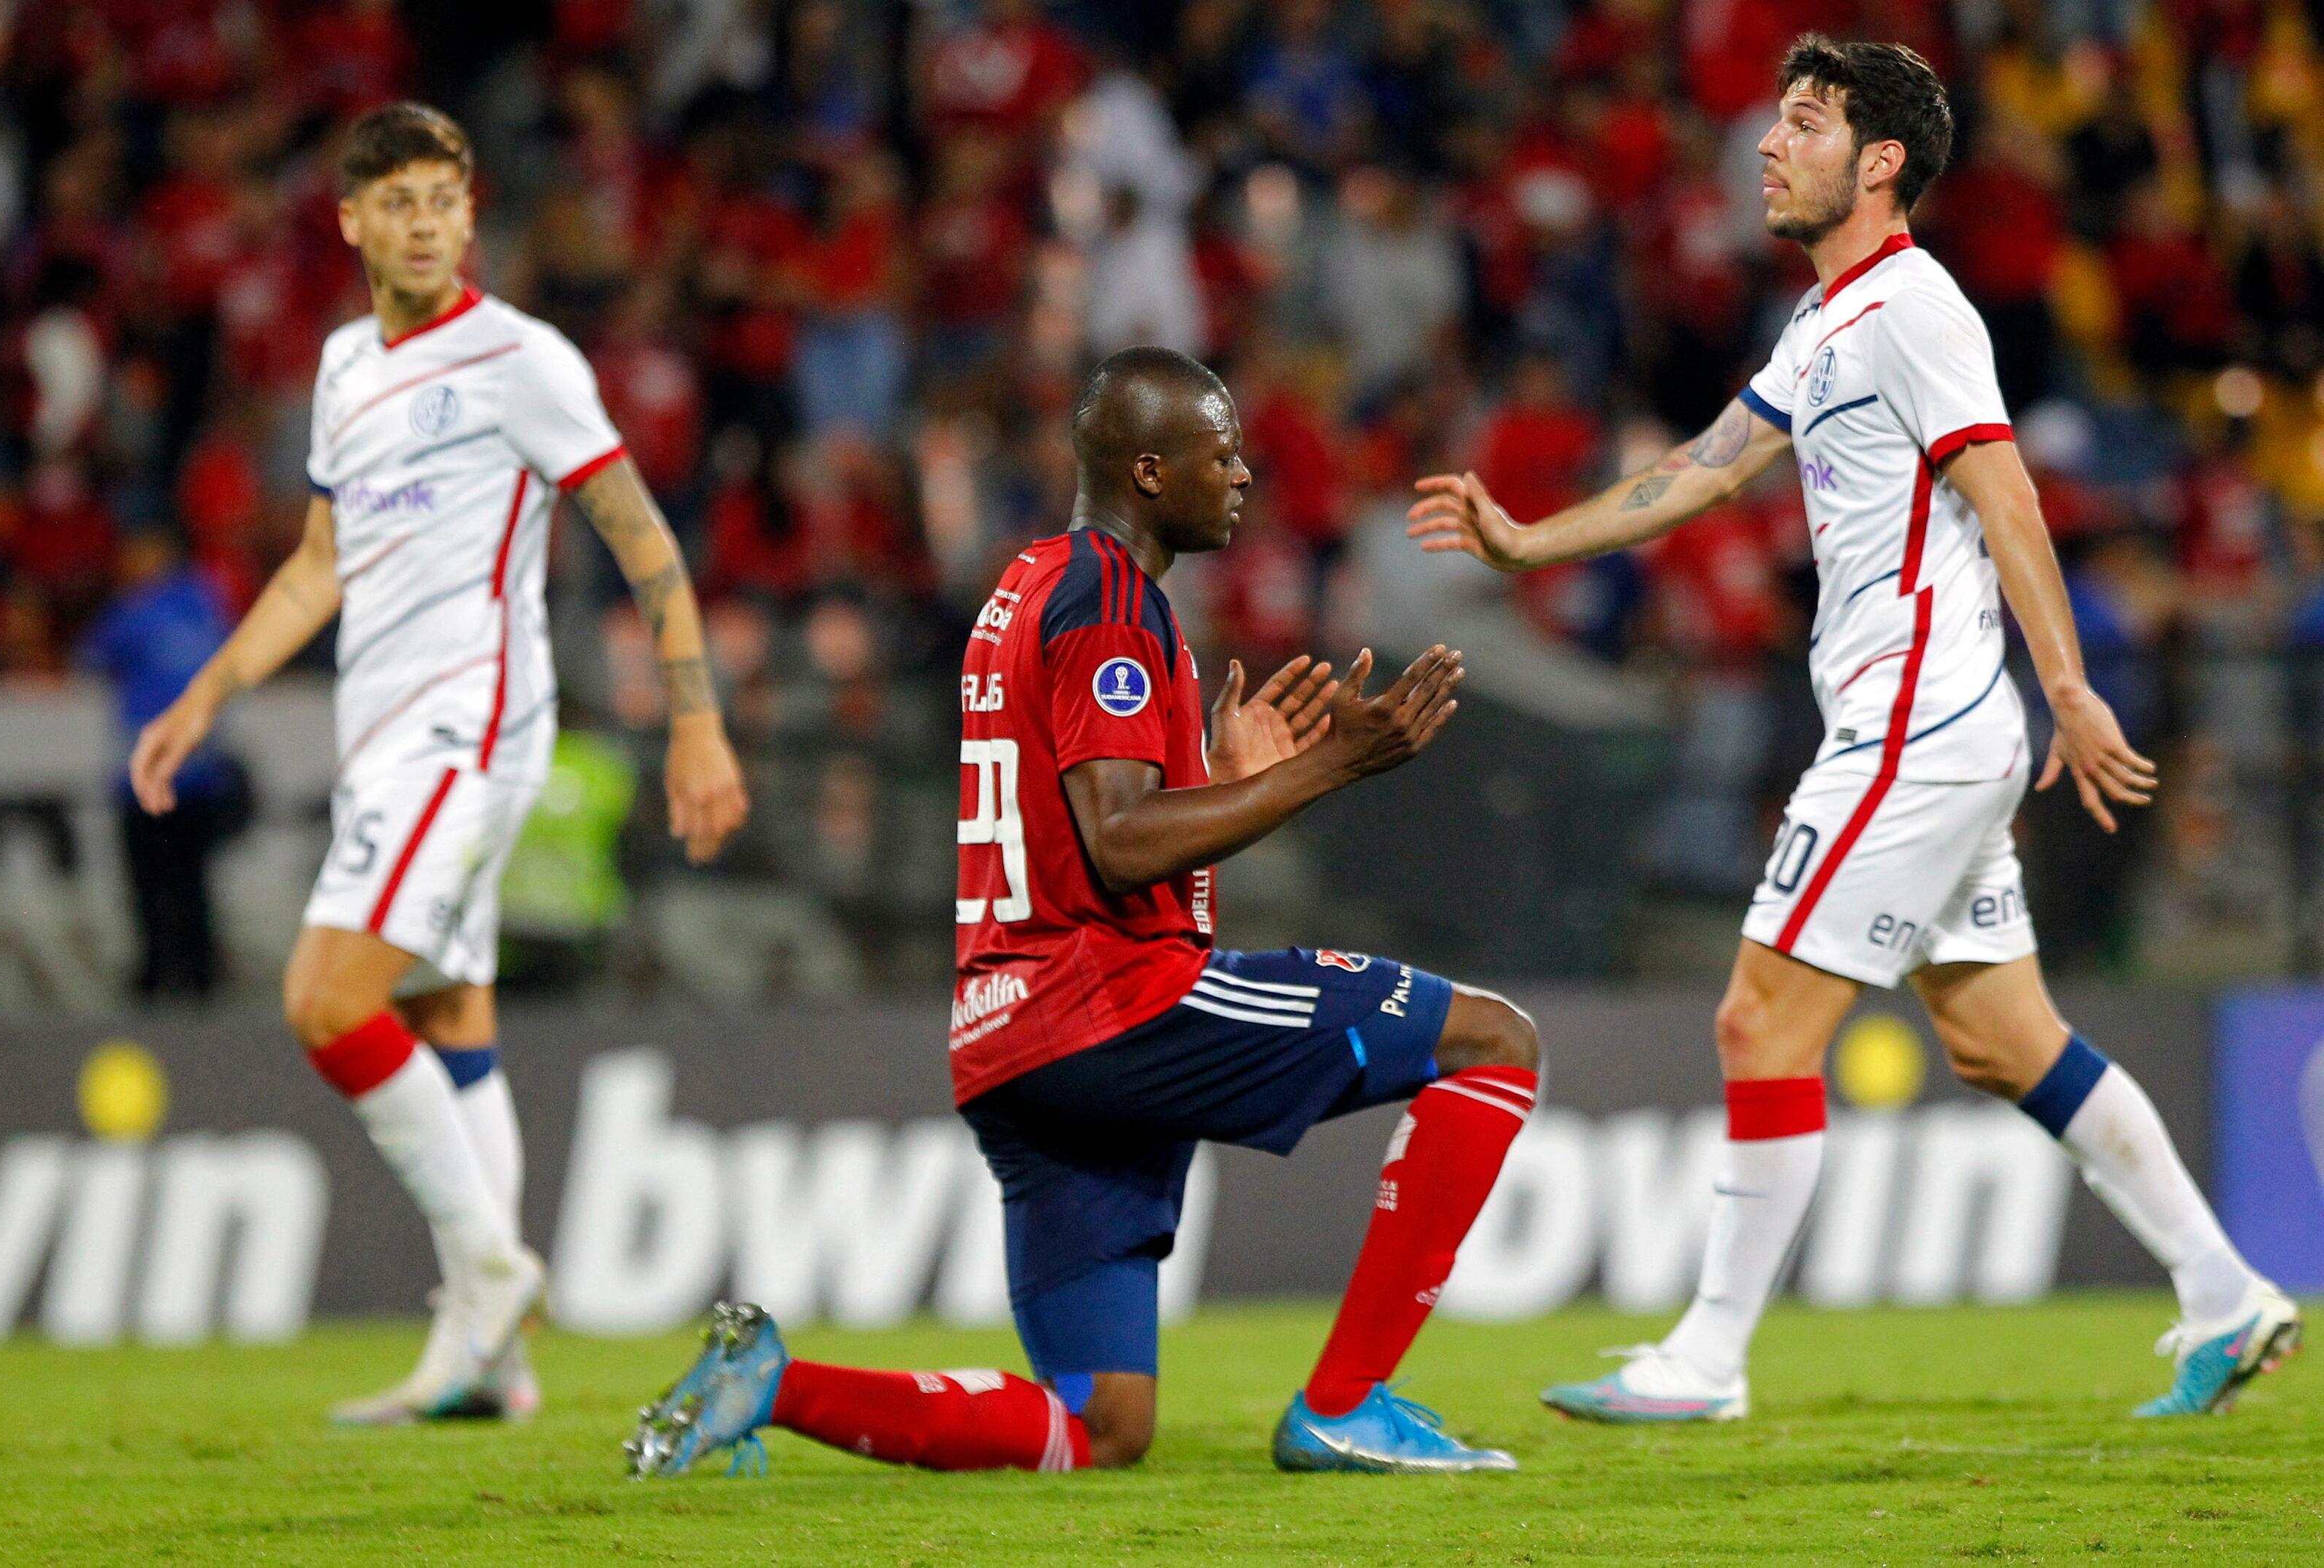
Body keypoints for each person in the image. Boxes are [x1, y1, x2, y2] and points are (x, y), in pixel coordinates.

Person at [1407, 37, 2296, 1422]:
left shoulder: (1914, 310)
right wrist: (1530, 542)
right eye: (1773, 120)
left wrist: (2065, 683)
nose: (1768, 143)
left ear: (1878, 163)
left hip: (1914, 727)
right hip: (1925, 724)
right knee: (2003, 1037)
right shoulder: (1826, 323)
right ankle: (2222, 1291)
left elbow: (2003, 495)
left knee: (1756, 1015)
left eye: (1805, 123)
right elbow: (1700, 469)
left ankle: (1705, 1356)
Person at [627, 346, 1539, 1479]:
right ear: (1150, 471)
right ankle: (1348, 1403)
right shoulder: (1109, 598)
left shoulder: (1029, 587)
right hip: (1109, 1003)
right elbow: (1117, 845)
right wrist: (1332, 768)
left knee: (1101, 1426)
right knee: (1494, 1041)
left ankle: (770, 1382)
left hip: (1008, 1038)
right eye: (1222, 453)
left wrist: (1217, 775)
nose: (1245, 474)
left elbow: (1092, 830)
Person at [129, 103, 749, 1425]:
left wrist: (693, 716)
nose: (421, 221)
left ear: (470, 216)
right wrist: (207, 692)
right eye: (394, 200)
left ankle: (487, 1268)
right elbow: (316, 567)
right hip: (384, 735)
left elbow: (642, 539)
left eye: (442, 199)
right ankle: (495, 1365)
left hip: (467, 731)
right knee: (443, 1010)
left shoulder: (523, 360)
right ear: (349, 219)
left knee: (322, 998)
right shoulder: (347, 364)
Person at [81, 530, 251, 999]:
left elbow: (93, 656)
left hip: (148, 775)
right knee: (192, 883)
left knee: (151, 883)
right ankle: (198, 976)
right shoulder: (206, 601)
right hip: (201, 776)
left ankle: (157, 976)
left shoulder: (135, 611)